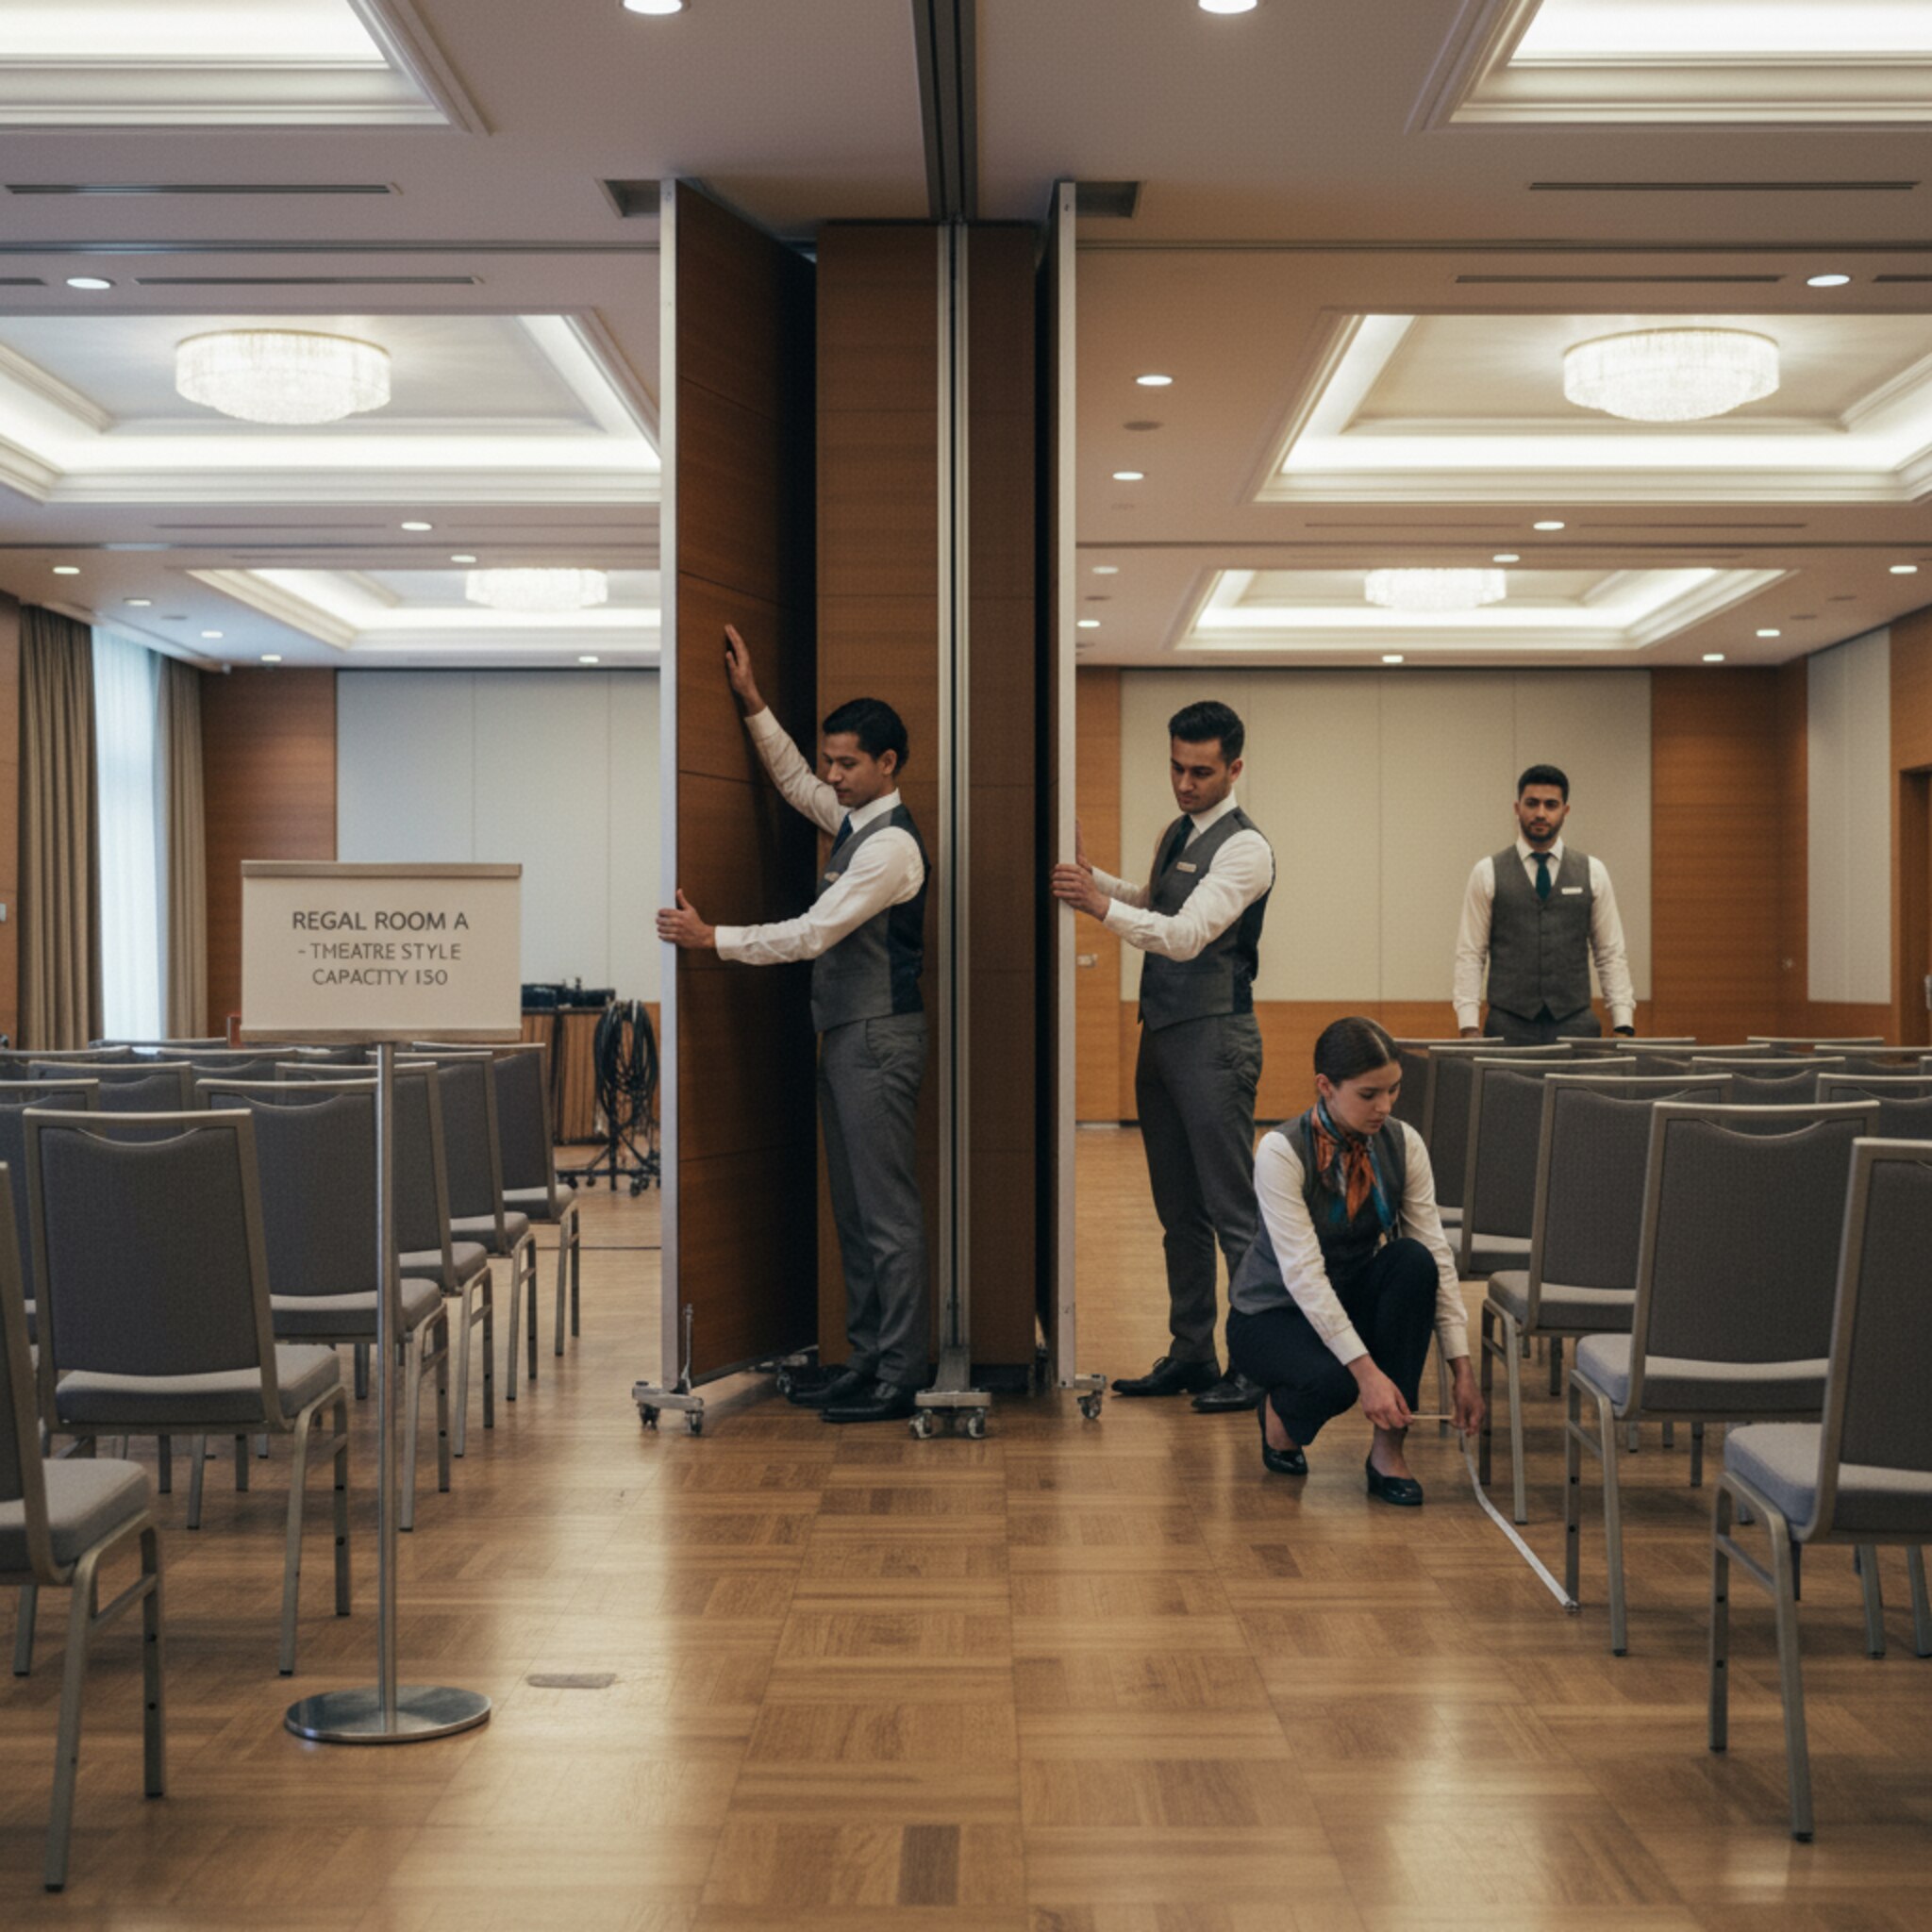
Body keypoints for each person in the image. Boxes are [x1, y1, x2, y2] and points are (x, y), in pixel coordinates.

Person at [657, 625, 929, 1424]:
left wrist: (716, 940)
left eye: (848, 763)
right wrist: (752, 705)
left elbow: (813, 932)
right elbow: (792, 780)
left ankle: (900, 1372)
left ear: (888, 765)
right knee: (854, 1211)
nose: (833, 776)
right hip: (849, 1038)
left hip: (879, 1041)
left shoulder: (890, 851)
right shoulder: (853, 822)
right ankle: (867, 1358)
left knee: (886, 1215)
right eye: (832, 760)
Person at [1050, 699, 1274, 1415]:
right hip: (1165, 1035)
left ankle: (1256, 1362)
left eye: (1201, 772)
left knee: (1233, 1210)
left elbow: (1183, 935)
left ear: (1235, 768)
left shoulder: (1246, 848)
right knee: (1179, 1211)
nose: (1184, 783)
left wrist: (1097, 906)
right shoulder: (1177, 830)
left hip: (1214, 1038)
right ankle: (1192, 1353)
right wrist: (1096, 880)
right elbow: (1154, 900)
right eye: (1176, 767)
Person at [1227, 1016, 1484, 1504]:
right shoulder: (1280, 1150)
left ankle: (1389, 1452)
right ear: (1326, 1087)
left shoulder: (1404, 1142)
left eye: (1393, 1091)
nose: (1384, 1107)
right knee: (1337, 1382)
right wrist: (1366, 1375)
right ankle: (1280, 1417)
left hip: (1347, 1295)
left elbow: (1436, 1255)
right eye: (1369, 1094)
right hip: (1272, 1312)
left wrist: (1462, 1370)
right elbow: (1304, 1277)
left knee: (1414, 1262)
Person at [1453, 763, 1636, 1046]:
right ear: (1517, 808)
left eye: (1551, 804)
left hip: (1575, 1022)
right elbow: (1471, 954)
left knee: (1578, 1093)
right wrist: (1468, 1025)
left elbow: (1610, 952)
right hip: (1507, 1024)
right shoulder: (1486, 872)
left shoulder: (1593, 871)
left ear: (1565, 810)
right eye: (1532, 803)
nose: (1540, 813)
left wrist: (1623, 1021)